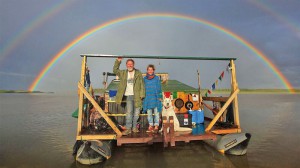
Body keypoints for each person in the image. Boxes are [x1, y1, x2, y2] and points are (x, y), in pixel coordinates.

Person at [113, 57, 145, 135]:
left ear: (133, 65)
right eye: (128, 64)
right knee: (129, 112)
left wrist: (142, 94)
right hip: (128, 96)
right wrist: (118, 61)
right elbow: (115, 70)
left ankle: (134, 128)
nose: (130, 65)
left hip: (137, 96)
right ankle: (128, 129)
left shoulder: (138, 73)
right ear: (126, 65)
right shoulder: (123, 73)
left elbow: (142, 84)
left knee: (137, 113)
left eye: (131, 64)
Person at [143, 64, 162, 133]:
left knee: (156, 113)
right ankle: (150, 125)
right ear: (147, 71)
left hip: (155, 98)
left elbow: (159, 87)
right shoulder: (144, 79)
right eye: (149, 70)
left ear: (153, 70)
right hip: (148, 98)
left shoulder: (157, 78)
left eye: (151, 69)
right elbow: (143, 88)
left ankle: (156, 125)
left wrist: (160, 96)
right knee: (149, 113)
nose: (150, 71)